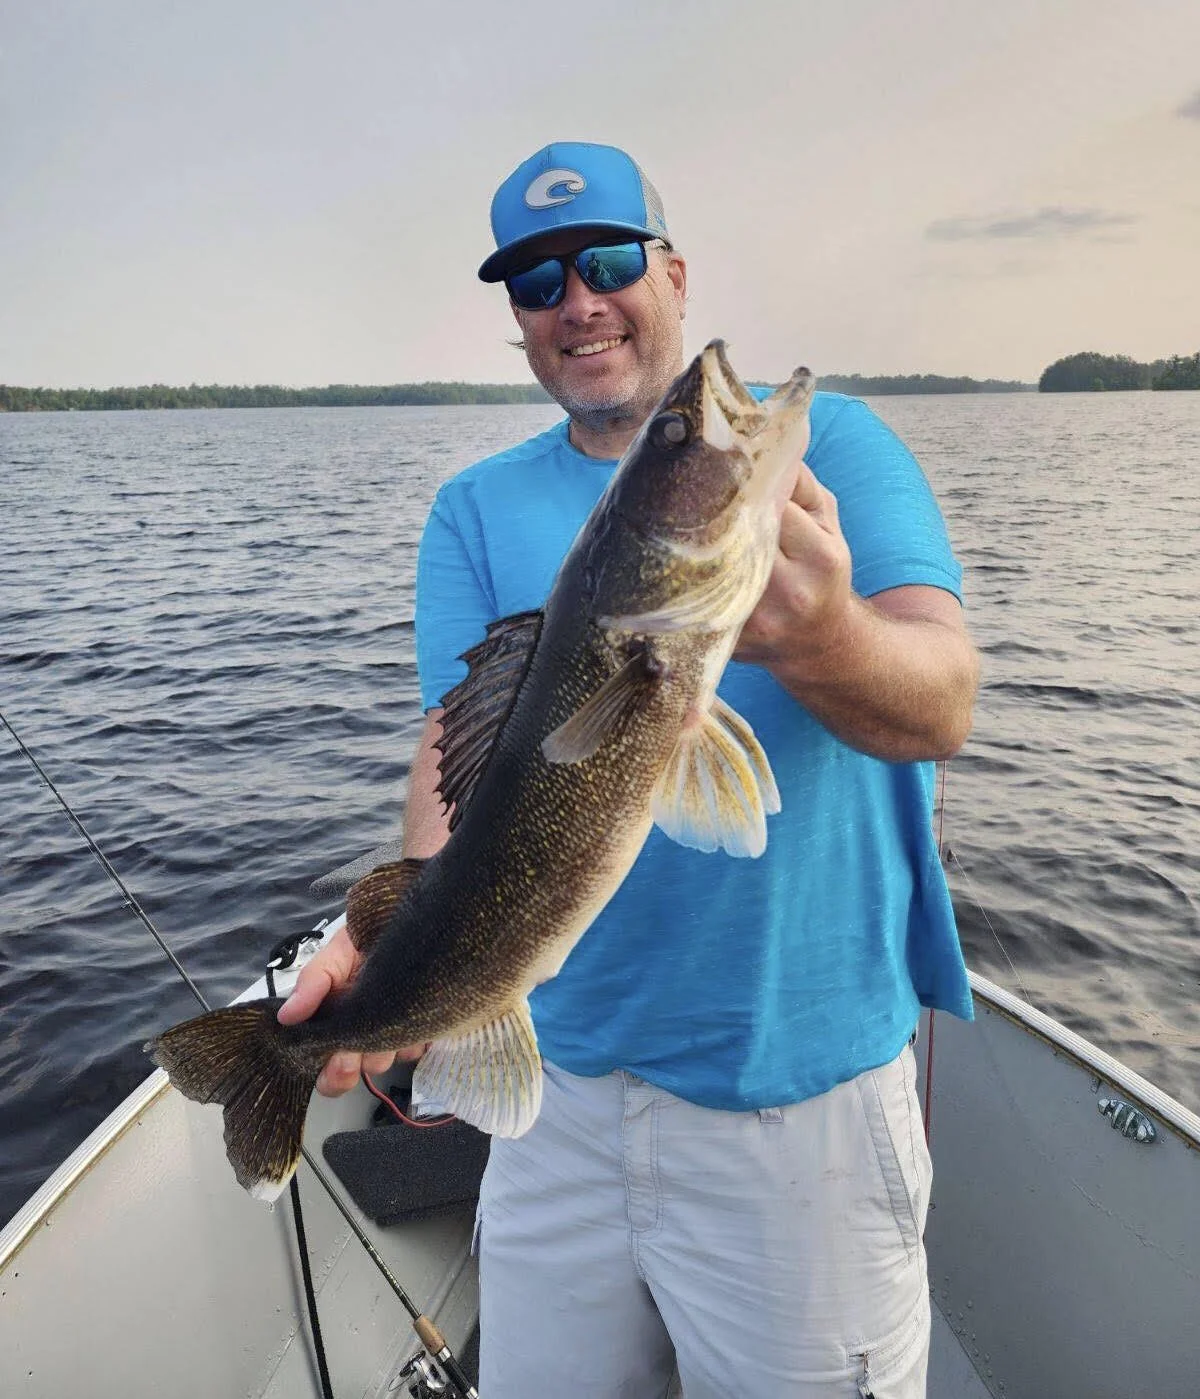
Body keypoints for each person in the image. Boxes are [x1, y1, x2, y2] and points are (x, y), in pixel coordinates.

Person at [280, 141, 979, 1398]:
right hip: (557, 1098)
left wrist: (823, 634)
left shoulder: (841, 449)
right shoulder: (472, 509)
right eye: (538, 283)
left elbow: (946, 701)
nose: (579, 302)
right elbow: (455, 762)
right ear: (518, 319)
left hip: (798, 1104)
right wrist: (383, 936)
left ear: (675, 275)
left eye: (608, 261)